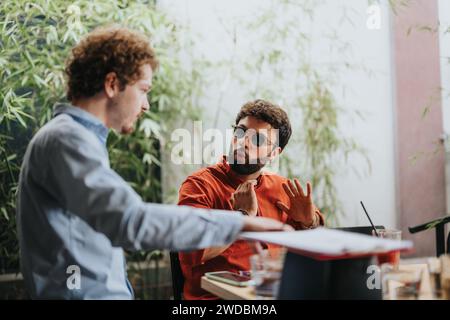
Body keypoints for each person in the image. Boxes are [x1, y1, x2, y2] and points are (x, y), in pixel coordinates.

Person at [16, 26, 290, 300]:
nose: (146, 105)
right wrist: (239, 223)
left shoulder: (76, 139)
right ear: (112, 84)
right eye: (143, 89)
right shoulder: (67, 140)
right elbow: (131, 220)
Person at [178, 99, 325, 299]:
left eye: (258, 140)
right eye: (240, 132)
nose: (243, 142)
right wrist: (242, 218)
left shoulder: (284, 190)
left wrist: (309, 222)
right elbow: (192, 252)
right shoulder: (200, 185)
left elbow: (319, 248)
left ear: (274, 153)